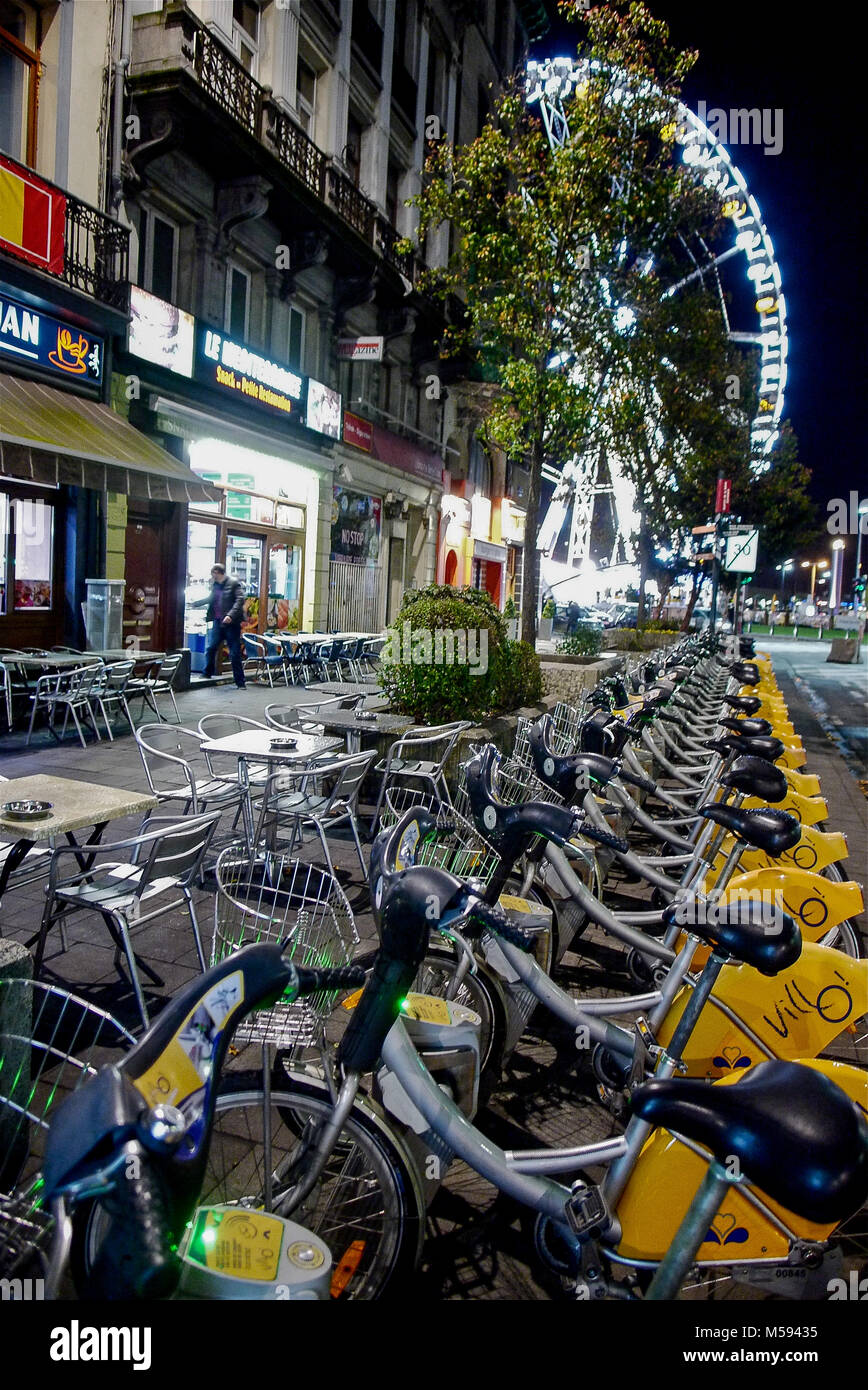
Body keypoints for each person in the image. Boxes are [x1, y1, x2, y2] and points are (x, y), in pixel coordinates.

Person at [203, 564, 246, 687]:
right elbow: (211, 599)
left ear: (218, 572)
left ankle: (240, 682)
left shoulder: (233, 583)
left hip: (231, 624)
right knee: (211, 648)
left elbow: (240, 600)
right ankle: (207, 672)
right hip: (218, 622)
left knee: (234, 653)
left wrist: (230, 615)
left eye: (214, 573)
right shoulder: (215, 585)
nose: (213, 576)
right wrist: (196, 603)